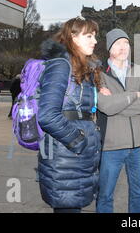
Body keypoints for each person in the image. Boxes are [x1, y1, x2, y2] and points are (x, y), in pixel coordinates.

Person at [37, 17, 102, 213]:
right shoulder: (61, 65)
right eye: (89, 36)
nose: (95, 41)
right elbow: (47, 115)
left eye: (95, 36)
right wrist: (78, 140)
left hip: (74, 156)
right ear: (73, 38)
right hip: (66, 155)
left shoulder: (81, 67)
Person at [96, 28, 140, 213]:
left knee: (139, 193)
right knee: (105, 195)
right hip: (111, 146)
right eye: (118, 43)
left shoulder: (139, 71)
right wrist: (133, 95)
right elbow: (105, 106)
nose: (123, 47)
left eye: (126, 43)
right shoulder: (98, 73)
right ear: (109, 48)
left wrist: (118, 103)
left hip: (138, 145)